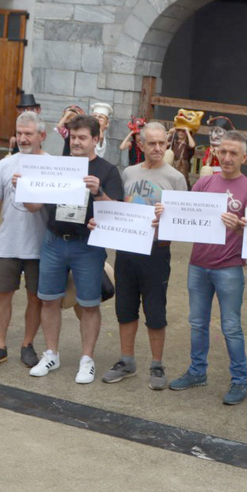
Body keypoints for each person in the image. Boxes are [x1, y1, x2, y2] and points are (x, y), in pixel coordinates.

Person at [25, 114, 124, 383]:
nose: (76, 142)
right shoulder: (57, 166)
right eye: (73, 137)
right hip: (54, 241)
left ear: (96, 139)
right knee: (48, 299)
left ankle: (87, 359)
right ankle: (51, 354)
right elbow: (34, 205)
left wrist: (98, 191)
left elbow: (116, 211)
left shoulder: (107, 170)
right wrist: (24, 188)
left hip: (87, 246)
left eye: (83, 137)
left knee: (89, 304)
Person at [167, 130, 247, 404]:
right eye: (223, 152)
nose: (227, 157)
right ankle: (197, 371)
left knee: (231, 327)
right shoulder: (204, 183)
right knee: (197, 323)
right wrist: (166, 213)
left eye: (234, 153)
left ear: (244, 157)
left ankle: (240, 381)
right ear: (217, 153)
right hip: (198, 265)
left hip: (229, 268)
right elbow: (185, 215)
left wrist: (241, 227)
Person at [100, 122, 187, 389]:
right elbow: (117, 208)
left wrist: (166, 222)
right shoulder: (128, 173)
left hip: (156, 253)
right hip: (126, 251)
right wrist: (100, 222)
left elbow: (183, 221)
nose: (158, 148)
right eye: (152, 143)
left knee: (155, 311)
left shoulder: (175, 178)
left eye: (162, 143)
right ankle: (127, 361)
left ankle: (157, 365)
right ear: (141, 145)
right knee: (125, 308)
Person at [0, 111, 49, 369]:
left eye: (28, 134)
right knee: (2, 294)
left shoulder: (52, 165)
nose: (23, 138)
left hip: (40, 245)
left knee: (35, 298)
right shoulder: (5, 165)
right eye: (19, 133)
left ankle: (27, 344)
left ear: (42, 135)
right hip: (8, 243)